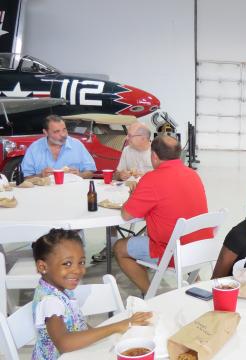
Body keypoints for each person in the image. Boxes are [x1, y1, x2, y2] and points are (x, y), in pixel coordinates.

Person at [31, 228, 151, 359]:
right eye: (67, 263)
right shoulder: (50, 301)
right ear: (43, 267)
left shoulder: (59, 288)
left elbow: (77, 323)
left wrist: (104, 336)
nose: (77, 270)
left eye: (81, 262)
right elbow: (64, 343)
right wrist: (117, 326)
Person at [113, 134, 212, 295]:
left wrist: (133, 195)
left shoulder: (152, 179)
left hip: (172, 252)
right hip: (200, 247)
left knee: (119, 248)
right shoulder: (193, 174)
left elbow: (126, 214)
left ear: (154, 156)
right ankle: (195, 278)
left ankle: (151, 293)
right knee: (153, 231)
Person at [91, 122, 152, 263]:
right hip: (127, 192)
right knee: (107, 202)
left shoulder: (155, 152)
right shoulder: (127, 150)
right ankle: (111, 244)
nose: (126, 138)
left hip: (148, 195)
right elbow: (117, 175)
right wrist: (120, 175)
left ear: (143, 138)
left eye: (130, 136)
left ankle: (147, 249)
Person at [21, 115, 96, 179]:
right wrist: (41, 175)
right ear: (45, 132)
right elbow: (25, 177)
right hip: (44, 193)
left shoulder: (77, 145)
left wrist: (80, 175)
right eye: (57, 131)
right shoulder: (34, 148)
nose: (63, 134)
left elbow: (90, 171)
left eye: (64, 130)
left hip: (71, 192)